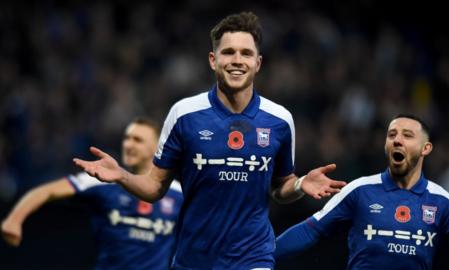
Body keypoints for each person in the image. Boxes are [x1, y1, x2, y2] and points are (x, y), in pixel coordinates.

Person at [73, 11, 346, 270]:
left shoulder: (280, 119)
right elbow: (155, 186)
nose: (237, 60)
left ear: (258, 63)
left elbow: (280, 188)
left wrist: (299, 184)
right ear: (213, 60)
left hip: (252, 256)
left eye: (246, 53)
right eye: (228, 52)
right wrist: (121, 175)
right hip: (194, 258)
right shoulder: (184, 114)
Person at [275, 114, 449, 269]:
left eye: (407, 135)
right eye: (392, 135)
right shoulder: (359, 190)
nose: (397, 140)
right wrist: (259, 258)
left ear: (425, 148)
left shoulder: (444, 202)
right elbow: (310, 230)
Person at [1, 117, 183, 270]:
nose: (128, 144)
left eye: (138, 140)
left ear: (158, 146)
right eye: (127, 138)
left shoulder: (179, 193)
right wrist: (15, 219)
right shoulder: (101, 179)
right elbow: (45, 191)